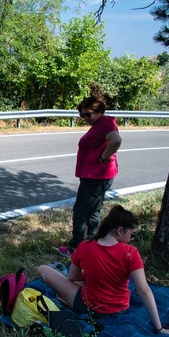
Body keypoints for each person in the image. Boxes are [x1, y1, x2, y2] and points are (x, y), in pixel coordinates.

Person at [38, 206, 169, 336]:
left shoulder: (85, 246)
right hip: (119, 308)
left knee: (43, 269)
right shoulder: (131, 253)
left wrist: (92, 275)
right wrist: (159, 328)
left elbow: (73, 277)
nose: (132, 239)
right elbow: (144, 290)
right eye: (132, 235)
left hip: (88, 306)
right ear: (120, 230)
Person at [59, 96, 122, 258]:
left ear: (100, 111)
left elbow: (116, 140)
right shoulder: (101, 123)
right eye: (82, 115)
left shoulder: (105, 123)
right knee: (93, 210)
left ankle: (76, 249)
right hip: (97, 175)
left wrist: (103, 156)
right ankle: (94, 244)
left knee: (80, 210)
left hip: (96, 176)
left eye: (88, 114)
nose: (85, 118)